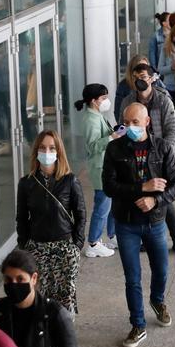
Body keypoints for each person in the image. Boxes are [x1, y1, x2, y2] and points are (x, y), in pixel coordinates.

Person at [102, 103, 175, 347]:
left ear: (147, 122)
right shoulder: (115, 148)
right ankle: (138, 324)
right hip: (126, 224)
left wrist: (155, 199)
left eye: (135, 123)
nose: (130, 127)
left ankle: (157, 301)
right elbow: (109, 187)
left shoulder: (162, 148)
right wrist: (141, 188)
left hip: (156, 222)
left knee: (161, 270)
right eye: (126, 123)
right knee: (132, 278)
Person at [118, 63, 175, 256]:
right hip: (135, 156)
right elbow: (122, 128)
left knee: (163, 200)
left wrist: (159, 152)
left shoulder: (163, 100)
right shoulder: (128, 101)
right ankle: (144, 237)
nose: (139, 81)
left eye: (143, 76)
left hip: (161, 157)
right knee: (140, 196)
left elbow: (173, 132)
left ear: (152, 78)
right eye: (135, 77)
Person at [16, 130, 86, 316]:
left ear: (59, 152)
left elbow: (80, 214)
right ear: (36, 152)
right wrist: (25, 246)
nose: (47, 152)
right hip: (37, 249)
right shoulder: (26, 183)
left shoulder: (70, 181)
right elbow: (21, 218)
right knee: (39, 300)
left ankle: (63, 337)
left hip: (65, 249)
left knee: (64, 303)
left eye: (52, 148)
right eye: (42, 148)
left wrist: (76, 245)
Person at [76, 84, 119, 257]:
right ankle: (93, 243)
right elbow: (93, 146)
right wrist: (111, 137)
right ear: (94, 101)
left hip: (106, 166)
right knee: (102, 206)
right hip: (100, 169)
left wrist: (113, 133)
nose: (106, 101)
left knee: (110, 205)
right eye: (103, 98)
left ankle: (112, 235)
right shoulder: (90, 119)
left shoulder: (96, 114)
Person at [115, 54, 154, 124]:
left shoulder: (156, 84)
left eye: (145, 66)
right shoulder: (123, 86)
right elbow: (118, 113)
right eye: (139, 67)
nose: (142, 69)